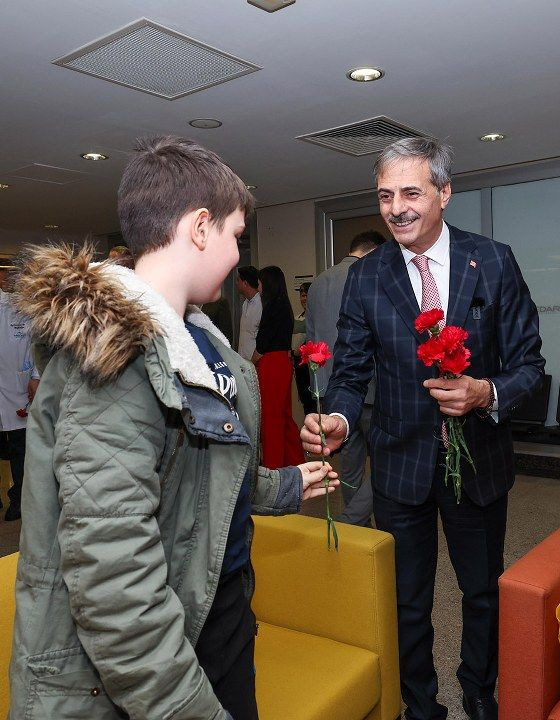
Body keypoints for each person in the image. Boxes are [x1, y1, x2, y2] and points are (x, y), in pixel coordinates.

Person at [7, 135, 338, 720]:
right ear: (201, 227)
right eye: (237, 235)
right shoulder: (114, 359)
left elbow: (192, 475)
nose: (240, 254)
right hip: (153, 647)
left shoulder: (198, 346)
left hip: (215, 607)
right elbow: (117, 590)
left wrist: (283, 487)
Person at [301, 137, 545, 720]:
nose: (396, 208)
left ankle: (480, 694)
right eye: (385, 196)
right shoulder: (368, 276)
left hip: (479, 462)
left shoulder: (495, 261)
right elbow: (352, 369)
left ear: (444, 193)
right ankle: (420, 704)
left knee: (482, 593)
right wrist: (335, 416)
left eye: (411, 192)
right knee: (408, 600)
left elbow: (531, 366)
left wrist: (486, 392)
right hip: (400, 466)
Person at [306, 230, 386, 527]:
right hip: (371, 385)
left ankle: (358, 526)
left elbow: (312, 339)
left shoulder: (317, 284)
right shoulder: (372, 276)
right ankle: (356, 518)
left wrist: (319, 388)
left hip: (332, 391)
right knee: (387, 462)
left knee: (349, 464)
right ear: (374, 251)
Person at [254, 265, 306, 468]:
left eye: (260, 283)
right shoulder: (284, 305)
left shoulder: (271, 307)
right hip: (282, 363)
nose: (258, 287)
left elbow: (262, 343)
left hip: (271, 363)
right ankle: (294, 460)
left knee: (271, 416)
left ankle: (273, 465)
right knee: (283, 415)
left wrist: (249, 363)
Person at [0, 264, 39, 522]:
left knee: (20, 451)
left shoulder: (17, 306)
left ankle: (19, 501)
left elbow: (38, 341)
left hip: (18, 389)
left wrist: (36, 375)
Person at [292, 281, 317, 415]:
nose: (304, 298)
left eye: (307, 295)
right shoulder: (297, 318)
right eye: (302, 295)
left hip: (312, 364)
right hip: (299, 364)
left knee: (313, 399)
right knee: (304, 399)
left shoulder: (317, 317)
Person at [236, 265, 262, 361]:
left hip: (256, 361)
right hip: (244, 359)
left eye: (238, 280)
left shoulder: (261, 304)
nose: (236, 283)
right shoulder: (245, 303)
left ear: (245, 283)